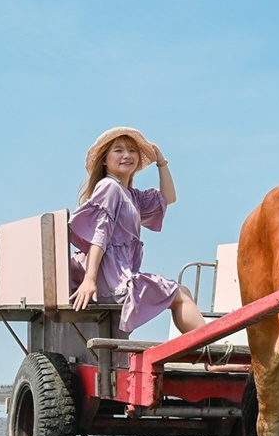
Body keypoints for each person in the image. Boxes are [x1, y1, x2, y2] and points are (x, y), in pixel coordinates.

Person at [69, 126, 207, 335]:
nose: (127, 155)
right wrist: (89, 280)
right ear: (105, 160)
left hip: (121, 273)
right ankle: (212, 357)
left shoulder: (131, 195)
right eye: (118, 150)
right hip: (111, 278)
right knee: (181, 295)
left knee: (183, 293)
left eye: (132, 151)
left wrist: (161, 162)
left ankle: (205, 355)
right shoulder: (109, 187)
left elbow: (169, 197)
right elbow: (100, 235)